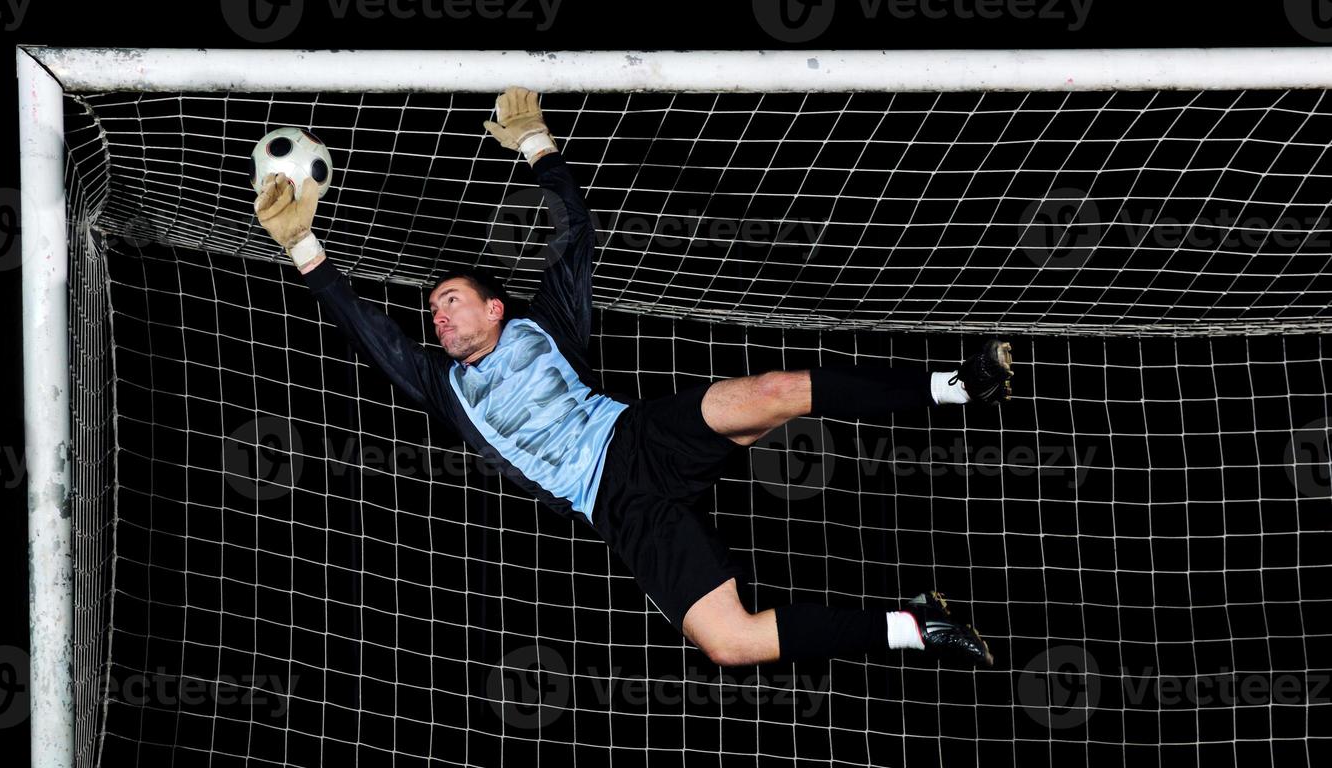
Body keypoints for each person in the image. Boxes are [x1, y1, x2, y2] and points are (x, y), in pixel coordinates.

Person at [254, 86, 1013, 669]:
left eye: (449, 303)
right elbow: (366, 329)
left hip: (640, 434)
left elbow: (575, 233)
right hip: (614, 506)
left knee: (776, 392)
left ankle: (955, 385)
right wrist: (305, 249)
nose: (438, 320)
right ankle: (915, 625)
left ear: (493, 305)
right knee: (730, 642)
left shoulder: (543, 322)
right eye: (433, 313)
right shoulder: (441, 384)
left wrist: (536, 146)